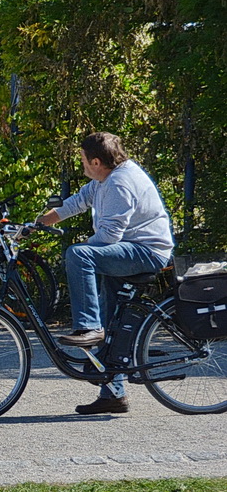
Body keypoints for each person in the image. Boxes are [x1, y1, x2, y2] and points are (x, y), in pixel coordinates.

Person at [38, 131, 174, 416]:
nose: (82, 165)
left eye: (83, 160)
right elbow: (77, 201)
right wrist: (39, 223)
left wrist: (83, 253)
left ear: (96, 162)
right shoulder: (103, 180)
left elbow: (109, 236)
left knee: (79, 254)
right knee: (112, 318)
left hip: (147, 251)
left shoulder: (120, 182)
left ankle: (89, 327)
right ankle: (113, 394)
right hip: (129, 249)